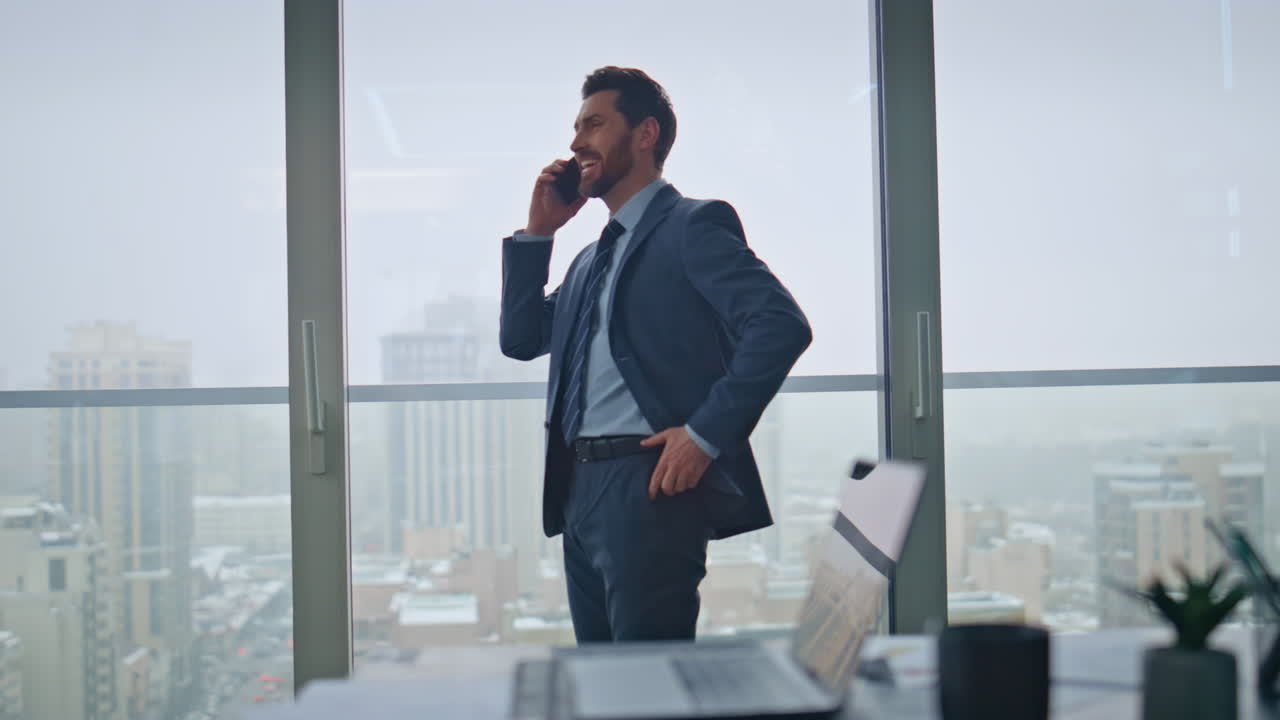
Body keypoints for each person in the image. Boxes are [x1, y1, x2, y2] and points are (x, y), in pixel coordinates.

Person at [500, 66, 811, 643]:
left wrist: (703, 435)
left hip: (649, 484)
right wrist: (538, 235)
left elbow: (779, 324)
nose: (575, 143)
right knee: (601, 683)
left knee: (648, 681)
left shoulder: (693, 226)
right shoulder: (588, 259)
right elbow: (520, 341)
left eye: (594, 124)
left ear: (645, 134)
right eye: (575, 127)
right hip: (577, 488)